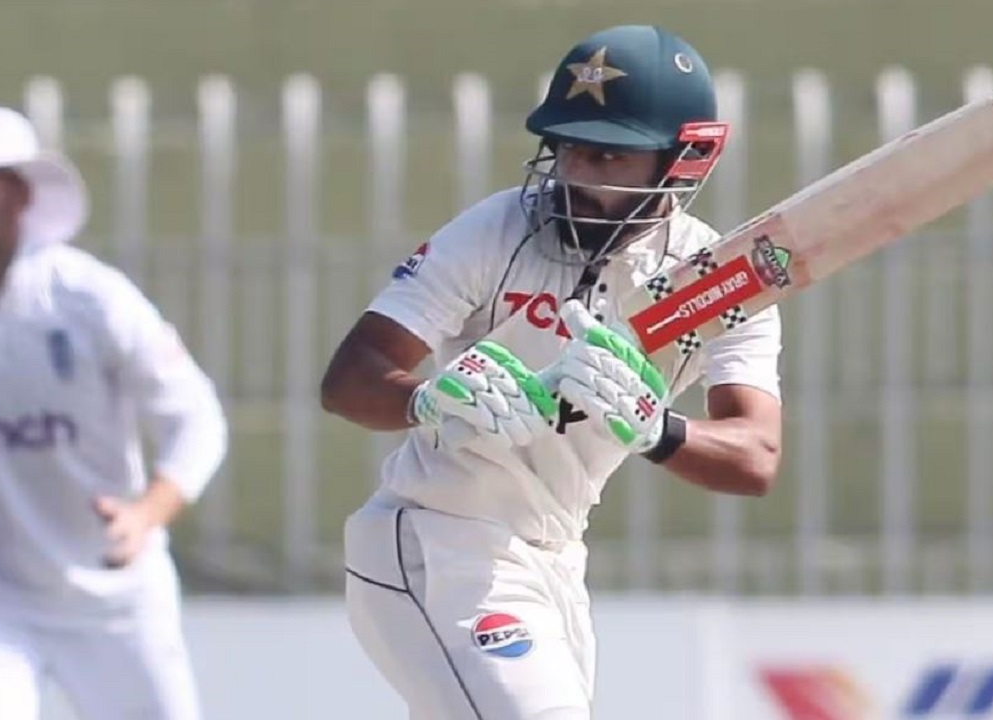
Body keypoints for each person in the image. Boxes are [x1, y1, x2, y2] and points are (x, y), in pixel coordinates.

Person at [320, 24, 783, 719]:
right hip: (437, 540)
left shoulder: (716, 280)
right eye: (566, 148)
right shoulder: (499, 228)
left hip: (556, 559)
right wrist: (428, 400)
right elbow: (350, 378)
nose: (575, 176)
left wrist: (658, 431)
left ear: (682, 161)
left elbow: (755, 457)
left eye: (608, 155)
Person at [0, 105, 227, 720]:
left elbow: (196, 418)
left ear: (20, 194)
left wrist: (147, 514)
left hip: (114, 594)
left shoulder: (92, 300)